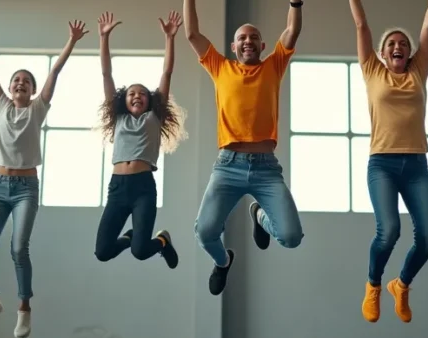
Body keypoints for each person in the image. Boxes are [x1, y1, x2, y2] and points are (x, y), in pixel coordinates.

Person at [0, 10, 87, 338]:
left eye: (26, 82)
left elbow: (56, 71)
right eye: (16, 80)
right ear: (9, 87)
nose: (20, 84)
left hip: (25, 188)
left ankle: (24, 308)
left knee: (19, 248)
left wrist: (70, 41)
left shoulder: (38, 108)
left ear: (32, 91)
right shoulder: (0, 104)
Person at [183, 0, 304, 295]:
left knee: (291, 237)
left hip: (266, 169)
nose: (247, 41)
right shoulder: (220, 67)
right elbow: (192, 35)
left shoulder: (274, 66)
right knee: (204, 231)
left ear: (262, 46)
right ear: (233, 46)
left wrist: (296, 3)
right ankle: (223, 262)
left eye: (253, 38)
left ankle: (259, 216)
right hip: (228, 166)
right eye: (242, 38)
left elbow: (291, 30)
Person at [348, 0, 428, 324]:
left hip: (416, 166)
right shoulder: (372, 70)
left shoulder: (418, 70)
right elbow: (361, 25)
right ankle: (373, 285)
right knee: (389, 231)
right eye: (391, 45)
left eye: (403, 44)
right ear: (383, 54)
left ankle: (400, 285)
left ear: (410, 53)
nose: (398, 47)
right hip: (382, 165)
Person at [91, 11, 187, 268]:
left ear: (150, 100)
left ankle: (163, 242)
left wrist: (170, 38)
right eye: (132, 93)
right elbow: (106, 75)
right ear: (123, 100)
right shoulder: (119, 119)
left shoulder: (153, 118)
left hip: (143, 188)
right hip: (117, 188)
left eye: (142, 93)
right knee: (102, 252)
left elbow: (167, 73)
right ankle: (131, 238)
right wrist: (104, 38)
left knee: (141, 251)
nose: (136, 96)